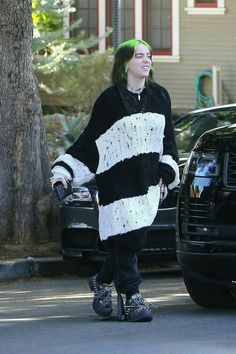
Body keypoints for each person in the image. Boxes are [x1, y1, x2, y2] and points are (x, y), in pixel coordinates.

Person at [50, 38, 179, 322]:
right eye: (139, 56)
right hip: (116, 184)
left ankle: (101, 280)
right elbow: (90, 143)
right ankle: (133, 298)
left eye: (149, 56)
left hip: (146, 184)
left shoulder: (160, 96)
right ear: (125, 63)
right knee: (126, 240)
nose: (146, 61)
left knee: (133, 241)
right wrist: (63, 173)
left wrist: (166, 175)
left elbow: (168, 143)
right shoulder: (109, 100)